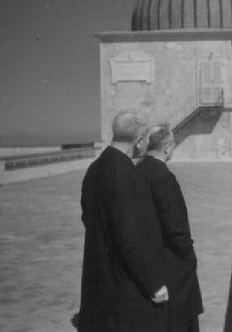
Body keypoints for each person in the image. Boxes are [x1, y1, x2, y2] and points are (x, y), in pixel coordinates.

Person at [78, 110, 169, 332]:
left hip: (98, 280)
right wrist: (155, 283)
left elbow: (87, 216)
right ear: (138, 141)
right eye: (146, 138)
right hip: (122, 288)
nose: (147, 143)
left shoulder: (95, 168)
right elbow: (131, 238)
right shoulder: (126, 175)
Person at [137, 124, 203, 332]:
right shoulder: (163, 177)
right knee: (181, 318)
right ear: (167, 149)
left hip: (148, 259)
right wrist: (189, 254)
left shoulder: (136, 171)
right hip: (171, 261)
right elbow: (176, 226)